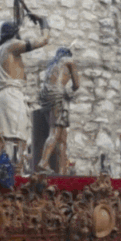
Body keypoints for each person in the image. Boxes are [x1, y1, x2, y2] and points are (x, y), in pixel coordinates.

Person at [0, 17, 50, 158]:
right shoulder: (12, 45)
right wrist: (44, 23)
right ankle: (14, 175)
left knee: (0, 140)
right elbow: (44, 40)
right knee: (16, 140)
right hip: (12, 97)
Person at [36, 46, 79, 174]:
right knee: (55, 133)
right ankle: (43, 162)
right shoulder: (69, 63)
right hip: (58, 98)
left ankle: (62, 169)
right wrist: (69, 92)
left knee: (62, 137)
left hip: (46, 100)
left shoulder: (51, 66)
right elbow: (77, 85)